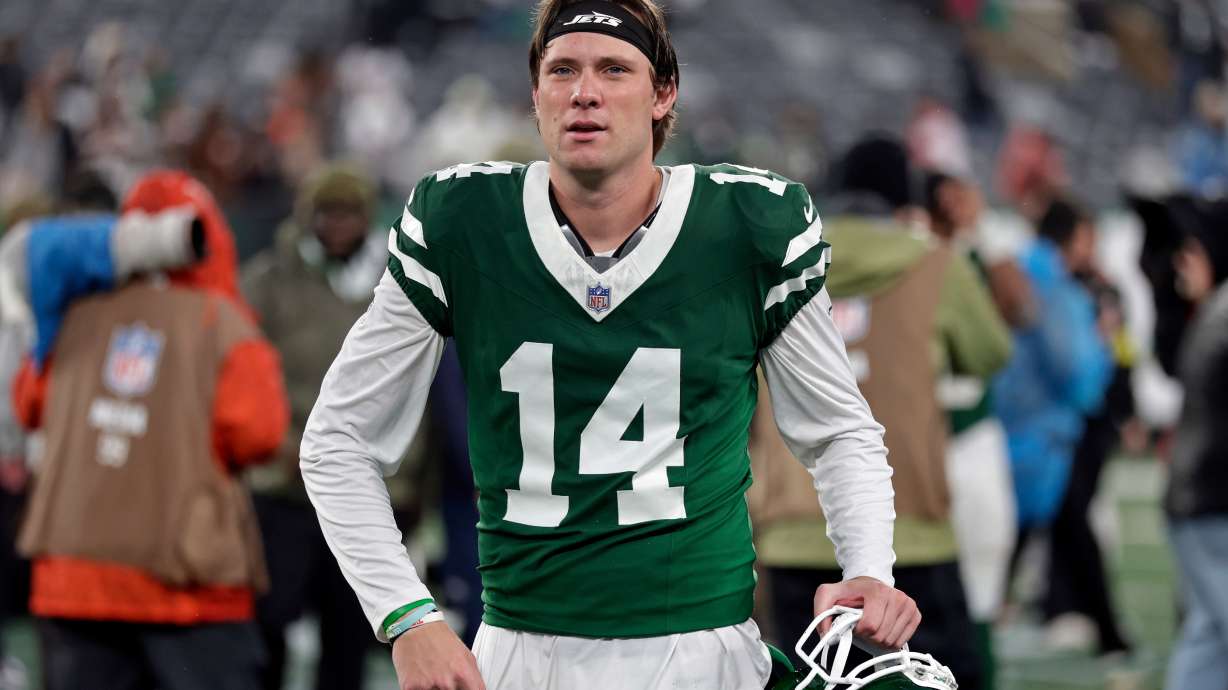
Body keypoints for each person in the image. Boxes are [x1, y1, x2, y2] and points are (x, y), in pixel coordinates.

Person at [300, 2, 918, 689]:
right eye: (563, 69)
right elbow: (337, 440)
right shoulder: (463, 222)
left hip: (702, 654)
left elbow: (837, 430)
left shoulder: (747, 225)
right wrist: (407, 617)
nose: (584, 92)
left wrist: (869, 568)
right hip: (522, 653)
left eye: (614, 69)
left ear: (663, 94)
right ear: (536, 94)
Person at [750, 136, 1011, 690]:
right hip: (909, 526)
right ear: (904, 202)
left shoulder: (777, 264)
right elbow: (990, 353)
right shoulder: (937, 265)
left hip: (791, 527)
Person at [12, 170, 288, 690]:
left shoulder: (73, 311)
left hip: (74, 577)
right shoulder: (223, 325)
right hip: (185, 584)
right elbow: (260, 433)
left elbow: (28, 404)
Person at [992, 198, 1111, 568]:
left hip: (1012, 427)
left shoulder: (1021, 271)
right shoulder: (1054, 286)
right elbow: (1074, 370)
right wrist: (1101, 346)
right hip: (1043, 436)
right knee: (1066, 551)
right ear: (1073, 238)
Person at [1164, 218, 1228, 690]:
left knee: (1208, 638)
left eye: (1194, 251)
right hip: (1212, 502)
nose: (1182, 263)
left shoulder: (1217, 313)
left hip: (1199, 499)